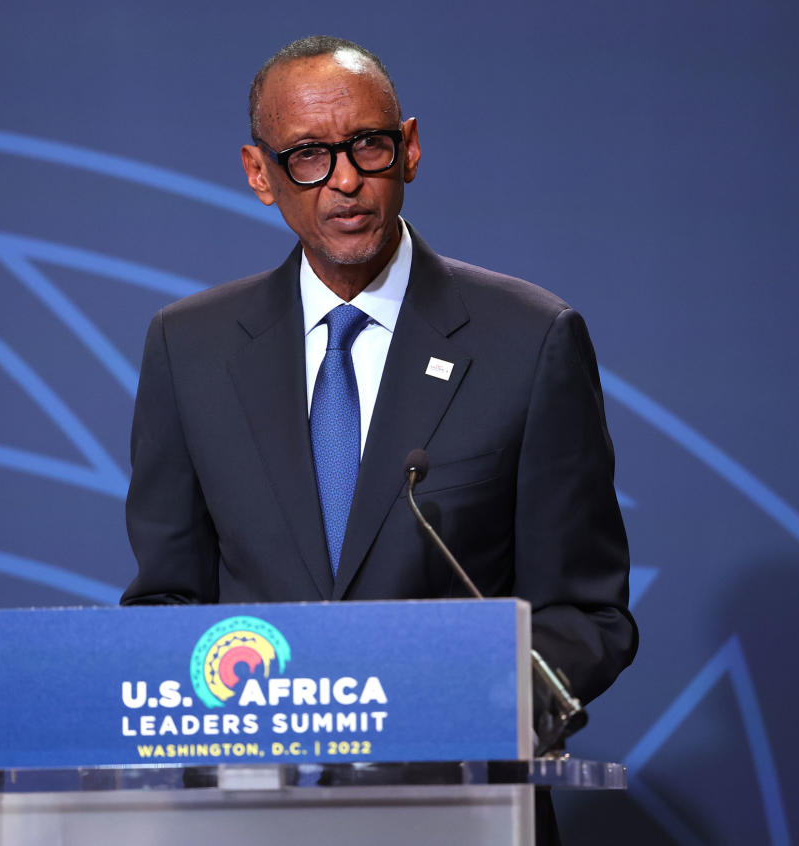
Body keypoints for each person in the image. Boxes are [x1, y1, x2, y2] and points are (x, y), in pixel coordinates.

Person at [121, 35, 638, 843]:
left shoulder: (527, 341)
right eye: (307, 156)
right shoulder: (190, 348)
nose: (346, 180)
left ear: (411, 149)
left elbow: (584, 614)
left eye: (368, 144)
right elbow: (168, 601)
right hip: (255, 817)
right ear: (260, 174)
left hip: (460, 809)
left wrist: (464, 704)